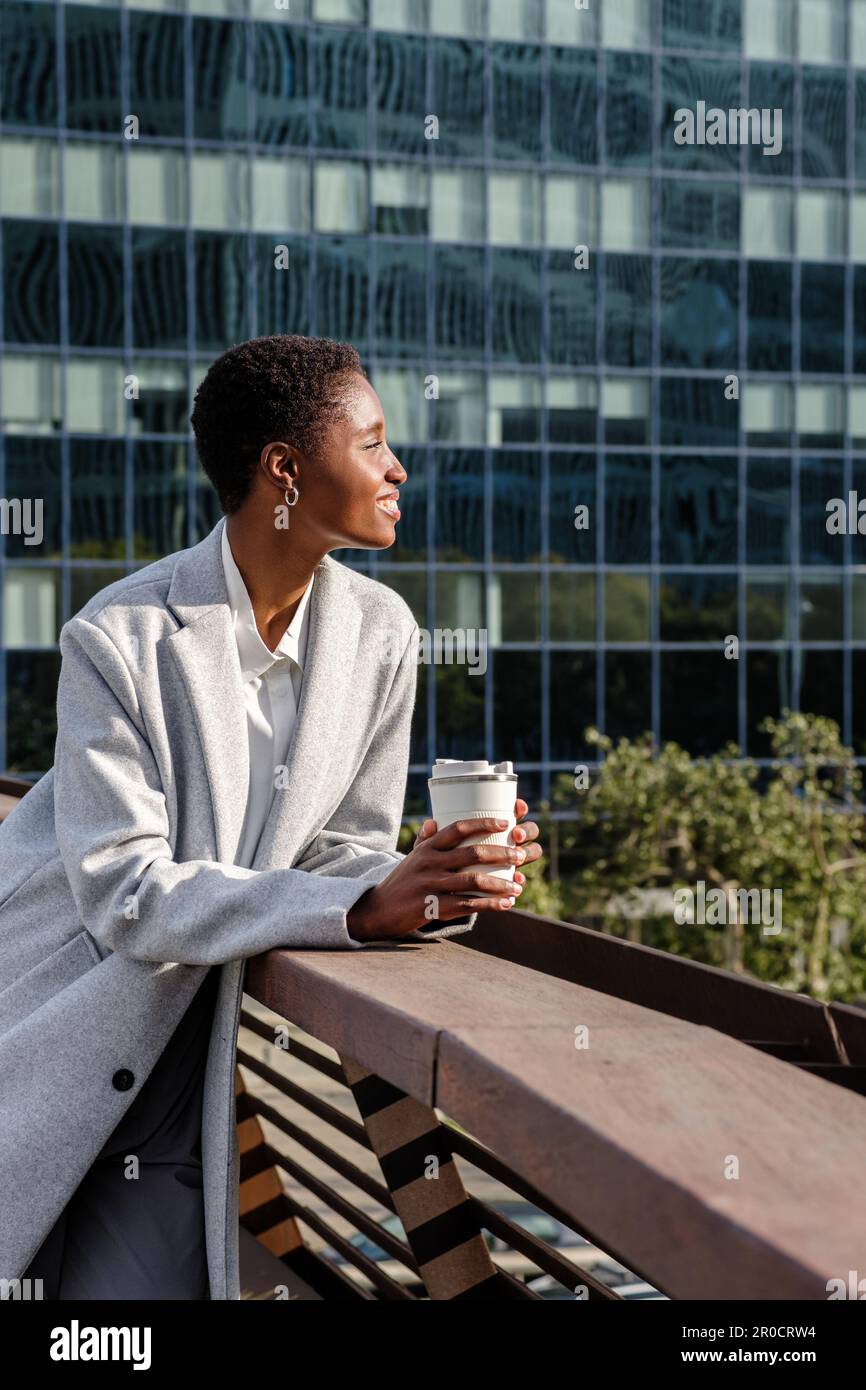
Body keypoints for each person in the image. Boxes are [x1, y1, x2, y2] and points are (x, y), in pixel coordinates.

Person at [2, 334, 542, 1300]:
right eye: (372, 443)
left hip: (186, 1059)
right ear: (285, 469)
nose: (397, 467)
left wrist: (425, 875)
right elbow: (124, 891)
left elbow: (344, 845)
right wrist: (355, 910)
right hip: (52, 1026)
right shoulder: (119, 638)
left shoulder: (384, 635)